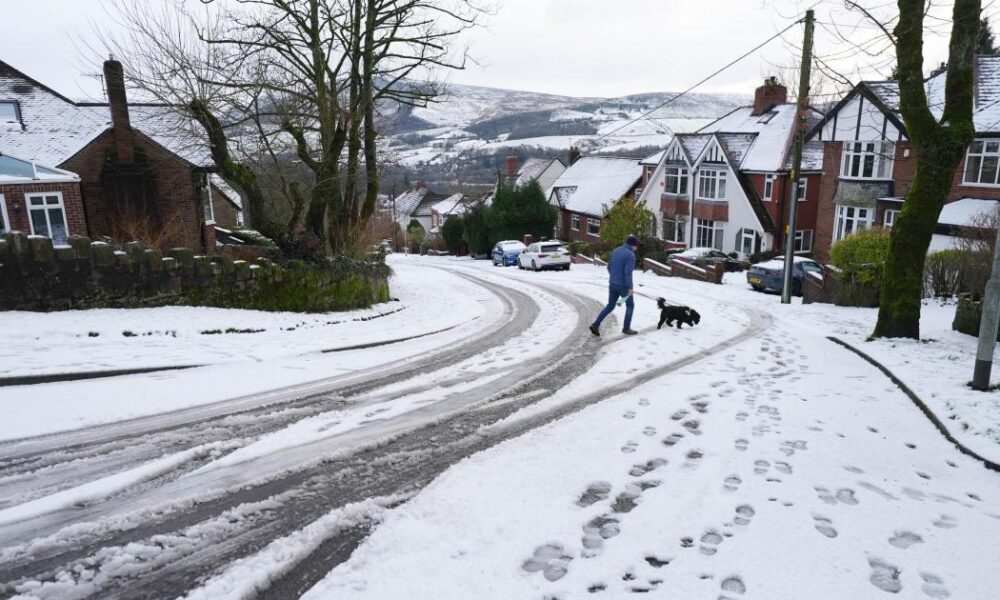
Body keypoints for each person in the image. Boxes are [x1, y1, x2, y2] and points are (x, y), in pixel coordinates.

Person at [590, 234, 638, 336]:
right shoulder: (630, 255)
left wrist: (614, 277)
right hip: (623, 286)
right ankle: (626, 328)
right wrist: (630, 288)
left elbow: (609, 266)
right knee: (630, 305)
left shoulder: (616, 251)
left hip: (613, 284)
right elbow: (627, 273)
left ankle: (596, 324)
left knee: (610, 306)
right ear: (633, 245)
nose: (636, 249)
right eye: (636, 246)